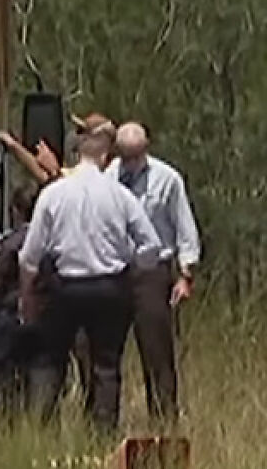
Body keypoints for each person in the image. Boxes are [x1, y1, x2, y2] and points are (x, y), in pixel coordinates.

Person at [18, 127, 163, 432]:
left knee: (50, 360)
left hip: (65, 286)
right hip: (110, 287)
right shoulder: (120, 196)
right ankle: (102, 436)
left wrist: (28, 296)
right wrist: (131, 264)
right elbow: (151, 244)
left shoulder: (53, 195)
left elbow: (29, 255)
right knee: (106, 366)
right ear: (106, 157)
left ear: (76, 154)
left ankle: (41, 429)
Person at [108, 121, 200, 423]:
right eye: (125, 155)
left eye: (136, 155)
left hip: (153, 272)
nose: (131, 162)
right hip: (115, 269)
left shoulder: (167, 179)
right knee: (104, 352)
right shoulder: (109, 177)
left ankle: (164, 422)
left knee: (157, 351)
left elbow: (184, 229)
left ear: (146, 148)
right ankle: (103, 422)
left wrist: (186, 275)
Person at [0, 182, 43, 410]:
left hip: (10, 313)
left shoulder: (11, 242)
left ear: (15, 211)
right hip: (42, 314)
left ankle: (4, 416)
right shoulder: (48, 239)